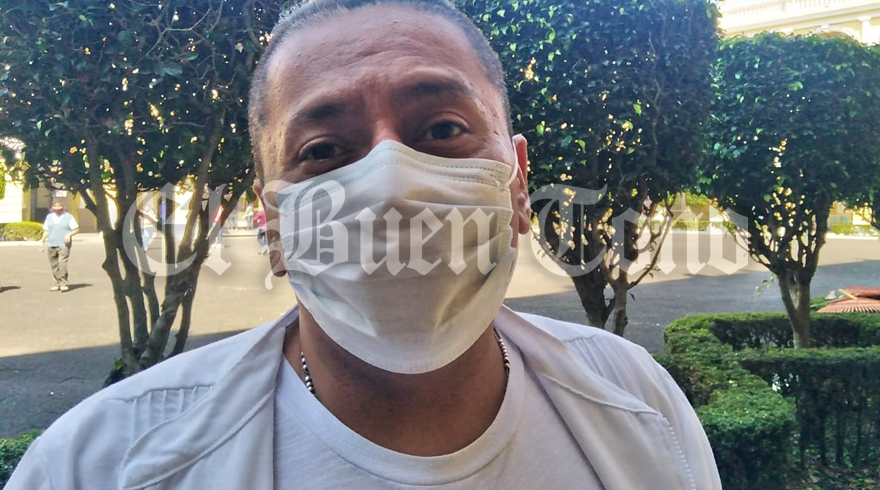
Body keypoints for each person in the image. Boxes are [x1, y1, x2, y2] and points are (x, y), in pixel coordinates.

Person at [6, 1, 722, 489]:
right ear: (273, 222)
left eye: (442, 129)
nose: (391, 186)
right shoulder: (97, 466)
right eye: (322, 149)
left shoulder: (640, 409)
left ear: (516, 182)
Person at [39, 200, 79, 292]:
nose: (57, 208)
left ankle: (64, 283)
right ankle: (57, 283)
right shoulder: (49, 217)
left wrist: (69, 235)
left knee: (62, 263)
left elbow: (76, 229)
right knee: (54, 264)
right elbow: (46, 230)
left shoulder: (68, 217)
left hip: (64, 244)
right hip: (52, 243)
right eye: (55, 206)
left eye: (59, 206)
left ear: (63, 207)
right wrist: (42, 241)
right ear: (52, 207)